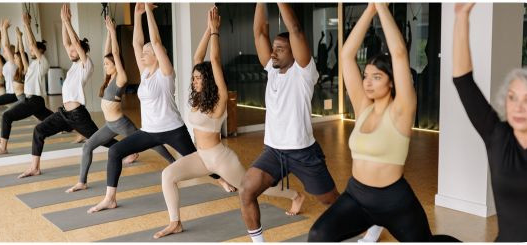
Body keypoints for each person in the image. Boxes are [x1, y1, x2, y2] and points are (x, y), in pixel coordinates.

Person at [307, 4, 459, 242]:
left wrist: (382, 7)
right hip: (356, 197)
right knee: (319, 235)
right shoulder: (363, 108)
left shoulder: (401, 110)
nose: (367, 82)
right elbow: (346, 55)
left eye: (377, 77)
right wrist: (369, 9)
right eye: (366, 76)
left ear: (391, 82)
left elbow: (399, 53)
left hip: (394, 201)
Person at [152, 7, 305, 239]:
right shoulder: (198, 99)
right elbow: (197, 58)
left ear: (209, 81)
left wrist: (216, 33)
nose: (194, 81)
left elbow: (213, 59)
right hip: (201, 157)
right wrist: (207, 29)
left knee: (255, 190)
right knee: (167, 175)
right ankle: (175, 222)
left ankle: (295, 195)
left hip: (221, 159)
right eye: (193, 78)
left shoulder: (220, 100)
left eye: (198, 78)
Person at [87, 3, 233, 214]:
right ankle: (110, 198)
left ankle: (222, 180)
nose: (143, 54)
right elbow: (137, 44)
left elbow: (154, 41)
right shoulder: (145, 73)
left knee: (199, 159)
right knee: (116, 152)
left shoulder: (166, 74)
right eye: (144, 52)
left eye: (148, 52)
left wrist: (148, 9)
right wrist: (137, 16)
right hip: (149, 131)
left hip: (173, 129)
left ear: (158, 54)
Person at [453, 3, 527, 242]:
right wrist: (461, 17)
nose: (518, 107)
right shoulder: (497, 136)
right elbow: (463, 81)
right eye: (512, 98)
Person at [239, 3, 342, 243]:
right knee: (246, 190)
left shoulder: (304, 73)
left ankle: (372, 223)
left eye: (280, 49)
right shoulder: (272, 70)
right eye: (273, 48)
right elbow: (259, 33)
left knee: (331, 200)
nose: (273, 53)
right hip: (274, 151)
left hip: (303, 153)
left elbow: (295, 29)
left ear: (295, 52)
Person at [65, 15, 176, 193]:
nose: (105, 65)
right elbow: (108, 52)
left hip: (121, 124)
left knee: (152, 141)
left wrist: (113, 33)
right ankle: (82, 181)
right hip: (110, 125)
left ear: (115, 65)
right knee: (88, 146)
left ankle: (173, 162)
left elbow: (115, 53)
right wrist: (108, 35)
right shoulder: (108, 79)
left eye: (107, 64)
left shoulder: (121, 78)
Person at [18, 4, 114, 178]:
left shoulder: (86, 65)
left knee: (98, 138)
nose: (69, 51)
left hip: (78, 114)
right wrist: (63, 22)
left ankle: (129, 151)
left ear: (81, 52)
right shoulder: (74, 66)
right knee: (39, 130)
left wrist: (68, 22)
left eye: (73, 50)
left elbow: (75, 43)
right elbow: (66, 42)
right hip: (64, 114)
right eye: (69, 50)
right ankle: (34, 167)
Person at [0, 13, 55, 155]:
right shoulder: (31, 65)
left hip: (34, 100)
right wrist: (17, 35)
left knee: (6, 116)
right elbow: (25, 48)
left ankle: (3, 147)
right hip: (34, 100)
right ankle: (76, 129)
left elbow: (31, 44)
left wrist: (28, 26)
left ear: (40, 51)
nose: (31, 50)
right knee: (55, 120)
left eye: (34, 49)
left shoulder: (43, 63)